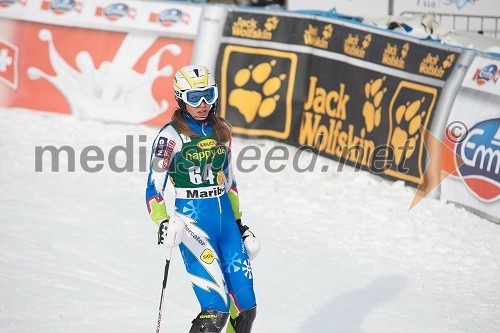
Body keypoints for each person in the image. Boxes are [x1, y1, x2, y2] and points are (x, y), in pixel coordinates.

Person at [145, 65, 260, 333]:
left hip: (227, 226)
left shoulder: (222, 131)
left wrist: (240, 223)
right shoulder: (170, 136)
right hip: (194, 225)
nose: (203, 104)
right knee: (215, 311)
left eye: (208, 94)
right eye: (194, 97)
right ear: (181, 98)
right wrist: (163, 223)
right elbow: (153, 188)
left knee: (246, 308)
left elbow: (230, 183)